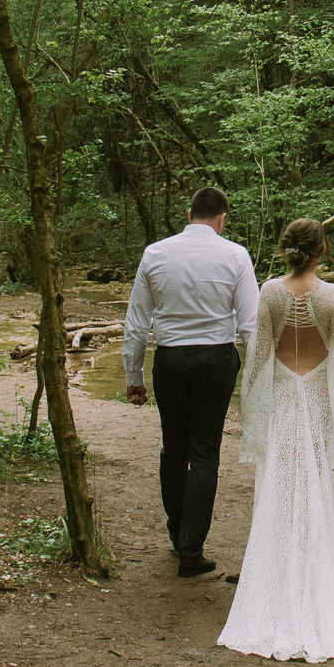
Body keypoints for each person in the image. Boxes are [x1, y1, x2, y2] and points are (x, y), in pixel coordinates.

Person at [218, 217, 334, 663]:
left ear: (289, 249)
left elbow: (259, 355)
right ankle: (318, 588)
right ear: (321, 250)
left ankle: (280, 584)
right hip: (319, 398)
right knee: (319, 489)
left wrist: (254, 409)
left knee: (281, 490)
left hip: (284, 396)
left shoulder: (269, 292)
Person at [121, 186, 259, 578]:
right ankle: (190, 550)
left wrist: (134, 375)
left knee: (173, 448)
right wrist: (259, 375)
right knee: (204, 454)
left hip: (172, 361)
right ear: (222, 218)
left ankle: (177, 531)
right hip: (216, 360)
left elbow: (136, 322)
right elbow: (250, 325)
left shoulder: (156, 253)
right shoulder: (235, 254)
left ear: (189, 213)